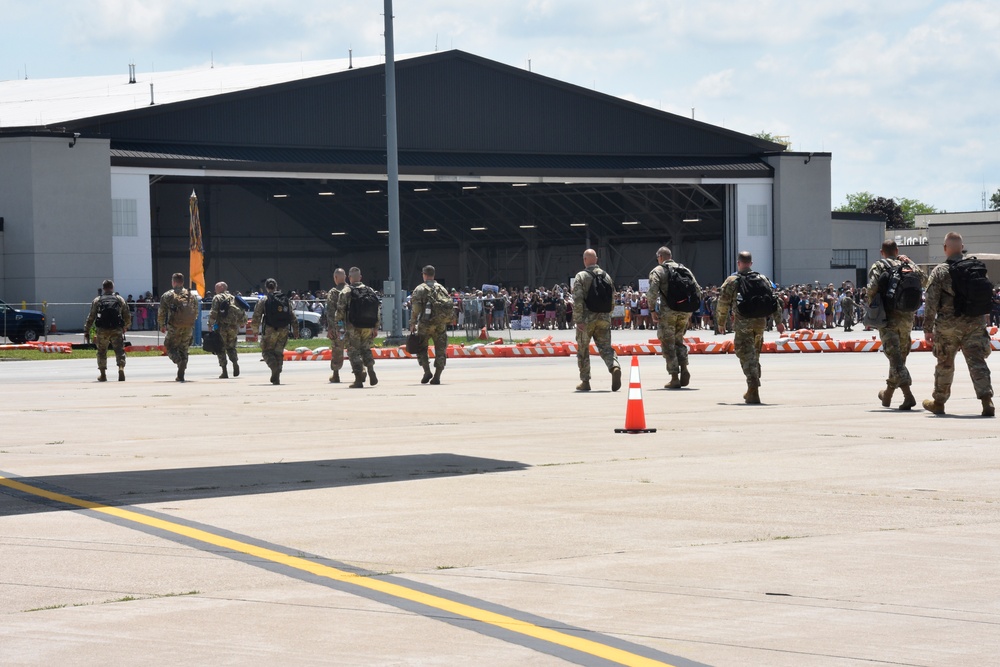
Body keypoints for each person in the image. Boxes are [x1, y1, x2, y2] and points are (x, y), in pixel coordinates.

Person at [922, 232, 994, 416]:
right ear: (962, 247)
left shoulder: (940, 271)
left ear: (945, 249)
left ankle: (939, 402)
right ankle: (987, 401)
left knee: (945, 363)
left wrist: (927, 329)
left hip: (948, 326)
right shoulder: (974, 267)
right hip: (975, 323)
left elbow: (931, 302)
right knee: (977, 362)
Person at [715, 251, 784, 404]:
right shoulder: (763, 278)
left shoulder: (732, 281)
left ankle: (753, 389)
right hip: (760, 323)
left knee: (745, 354)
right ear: (751, 264)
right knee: (755, 355)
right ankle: (753, 386)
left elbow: (723, 303)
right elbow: (774, 301)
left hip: (743, 323)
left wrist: (721, 322)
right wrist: (779, 321)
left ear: (739, 263)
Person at [865, 240, 925, 410]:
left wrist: (872, 307)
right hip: (907, 318)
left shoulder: (879, 265)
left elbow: (872, 288)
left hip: (888, 318)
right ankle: (888, 394)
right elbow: (925, 280)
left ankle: (908, 396)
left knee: (895, 358)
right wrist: (909, 261)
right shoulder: (906, 264)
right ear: (897, 250)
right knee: (899, 357)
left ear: (882, 252)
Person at [647, 246, 701, 388]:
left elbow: (652, 292)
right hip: (684, 312)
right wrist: (689, 310)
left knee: (668, 343)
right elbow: (697, 290)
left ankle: (674, 377)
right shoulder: (685, 269)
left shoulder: (658, 271)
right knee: (679, 340)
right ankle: (684, 368)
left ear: (660, 257)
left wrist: (652, 310)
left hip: (668, 312)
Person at [571, 248, 622, 392]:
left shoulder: (581, 276)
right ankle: (614, 366)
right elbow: (613, 297)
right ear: (597, 259)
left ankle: (585, 381)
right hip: (604, 318)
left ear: (585, 260)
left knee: (583, 350)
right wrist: (608, 315)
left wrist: (578, 319)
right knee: (605, 347)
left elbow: (578, 299)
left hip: (587, 319)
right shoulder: (606, 276)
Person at [334, 266, 379, 388]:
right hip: (367, 326)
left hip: (352, 326)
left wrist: (340, 328)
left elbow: (340, 312)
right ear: (360, 277)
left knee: (353, 352)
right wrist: (375, 327)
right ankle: (370, 369)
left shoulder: (346, 292)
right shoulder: (370, 290)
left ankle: (358, 379)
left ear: (349, 278)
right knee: (366, 348)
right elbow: (376, 310)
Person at [409, 265, 452, 384]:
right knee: (441, 349)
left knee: (421, 348)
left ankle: (427, 371)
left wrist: (412, 322)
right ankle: (437, 376)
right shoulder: (442, 288)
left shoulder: (420, 289)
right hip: (440, 324)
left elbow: (416, 309)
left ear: (424, 274)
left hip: (425, 323)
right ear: (434, 275)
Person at [251, 278, 299, 385]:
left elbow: (256, 316)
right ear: (276, 286)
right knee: (278, 352)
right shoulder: (284, 299)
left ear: (266, 287)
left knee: (266, 351)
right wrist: (296, 330)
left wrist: (254, 329)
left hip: (269, 329)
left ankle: (274, 367)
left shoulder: (264, 300)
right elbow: (292, 315)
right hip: (283, 329)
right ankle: (277, 376)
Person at [84, 279, 131, 382]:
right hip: (116, 329)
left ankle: (103, 374)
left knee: (101, 351)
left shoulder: (98, 300)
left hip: (102, 330)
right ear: (112, 287)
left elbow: (91, 316)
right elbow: (127, 315)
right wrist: (125, 326)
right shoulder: (119, 299)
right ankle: (121, 368)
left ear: (103, 288)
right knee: (119, 350)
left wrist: (86, 330)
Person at [158, 272, 198, 382]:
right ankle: (181, 372)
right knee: (184, 349)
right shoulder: (191, 295)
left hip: (174, 326)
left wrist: (162, 325)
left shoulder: (168, 295)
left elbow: (162, 312)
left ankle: (178, 361)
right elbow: (196, 311)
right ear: (183, 282)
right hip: (188, 326)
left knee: (169, 346)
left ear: (174, 282)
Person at [207, 281, 243, 379]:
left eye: (216, 288)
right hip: (233, 327)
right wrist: (241, 323)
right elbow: (240, 311)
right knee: (231, 347)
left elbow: (213, 313)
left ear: (221, 288)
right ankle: (235, 363)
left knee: (220, 348)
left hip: (221, 327)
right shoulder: (233, 298)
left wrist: (210, 324)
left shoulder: (217, 298)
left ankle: (224, 371)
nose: (214, 290)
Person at [325, 268, 349, 383]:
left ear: (335, 278)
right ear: (345, 277)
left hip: (339, 326)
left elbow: (330, 311)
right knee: (355, 349)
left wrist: (330, 328)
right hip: (352, 326)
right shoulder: (351, 290)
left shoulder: (333, 292)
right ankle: (361, 370)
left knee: (337, 350)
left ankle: (336, 374)